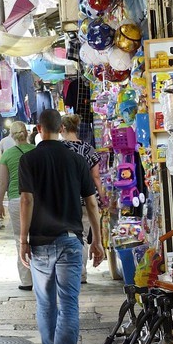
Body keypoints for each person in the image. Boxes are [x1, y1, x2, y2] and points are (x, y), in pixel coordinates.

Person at [18, 108, 104, 344]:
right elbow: (92, 204)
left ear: (40, 129)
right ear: (59, 128)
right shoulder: (77, 159)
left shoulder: (28, 159)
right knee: (68, 306)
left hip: (41, 241)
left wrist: (23, 239)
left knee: (45, 301)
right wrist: (98, 240)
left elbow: (27, 201)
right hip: (70, 240)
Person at [60, 113, 112, 283]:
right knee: (81, 235)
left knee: (65, 235)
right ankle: (81, 273)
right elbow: (96, 177)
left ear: (63, 128)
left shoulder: (59, 149)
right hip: (86, 198)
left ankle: (68, 270)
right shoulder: (88, 148)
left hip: (64, 199)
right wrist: (102, 195)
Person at [0, 125, 35, 288]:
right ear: (27, 134)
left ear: (12, 137)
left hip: (15, 199)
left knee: (20, 239)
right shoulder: (35, 151)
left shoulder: (7, 155)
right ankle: (41, 276)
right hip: (36, 198)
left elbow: (4, 182)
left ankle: (26, 280)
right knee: (38, 236)